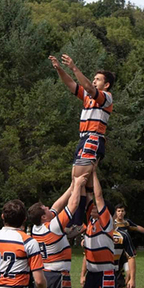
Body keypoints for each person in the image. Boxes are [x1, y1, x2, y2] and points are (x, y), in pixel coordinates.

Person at [49, 54, 115, 189]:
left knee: (77, 182)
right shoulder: (88, 96)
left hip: (93, 139)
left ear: (106, 85)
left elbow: (89, 88)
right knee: (84, 187)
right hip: (84, 139)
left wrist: (74, 68)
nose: (94, 81)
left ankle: (67, 209)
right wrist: (59, 69)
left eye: (98, 79)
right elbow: (71, 84)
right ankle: (86, 209)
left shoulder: (107, 97)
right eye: (94, 79)